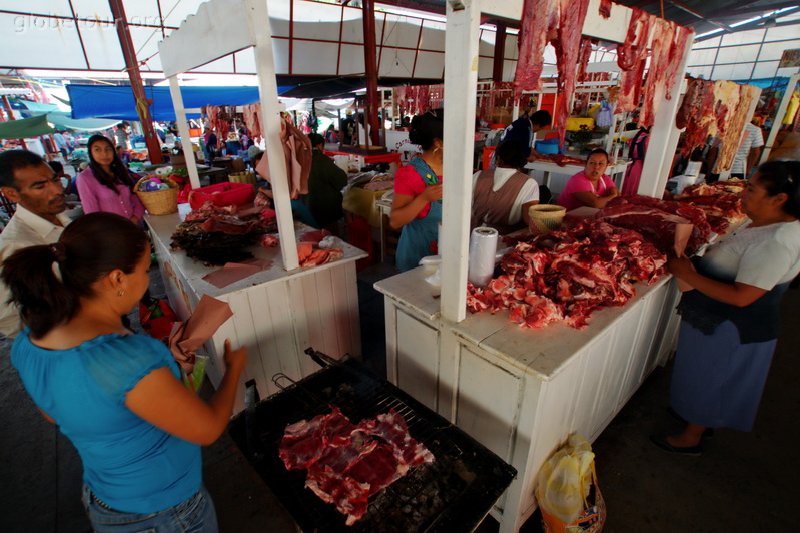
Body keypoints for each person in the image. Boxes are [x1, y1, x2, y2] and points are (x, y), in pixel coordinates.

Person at [3, 212, 246, 531]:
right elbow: (208, 429)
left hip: (104, 501)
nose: (147, 281)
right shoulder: (131, 359)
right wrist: (232, 372)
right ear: (117, 279)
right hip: (164, 513)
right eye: (145, 271)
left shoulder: (28, 343)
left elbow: (54, 413)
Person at [652, 161, 800, 456]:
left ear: (779, 198)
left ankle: (692, 437)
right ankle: (692, 417)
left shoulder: (777, 242)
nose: (744, 192)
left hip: (732, 326)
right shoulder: (767, 222)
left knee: (712, 379)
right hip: (715, 318)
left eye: (752, 188)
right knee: (699, 373)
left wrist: (688, 274)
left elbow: (742, 296)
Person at [0, 150, 70, 338]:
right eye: (40, 186)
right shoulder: (16, 246)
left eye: (55, 180)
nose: (57, 190)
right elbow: (10, 321)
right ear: (11, 194)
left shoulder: (63, 221)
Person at [390, 110, 444, 271]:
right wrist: (424, 198)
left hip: (447, 254)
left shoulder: (455, 166)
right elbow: (395, 220)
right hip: (417, 256)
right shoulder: (410, 174)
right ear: (438, 143)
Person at [471, 140, 540, 233]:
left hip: (473, 234)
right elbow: (530, 220)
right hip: (506, 238)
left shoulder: (478, 175)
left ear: (498, 159)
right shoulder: (529, 183)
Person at [76, 135, 144, 224]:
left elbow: (135, 197)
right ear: (90, 153)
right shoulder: (85, 178)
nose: (104, 154)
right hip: (111, 232)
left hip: (134, 226)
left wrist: (135, 218)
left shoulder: (120, 171)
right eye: (97, 150)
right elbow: (92, 214)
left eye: (108, 149)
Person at [306, 133, 347, 232]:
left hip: (306, 206)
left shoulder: (301, 157)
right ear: (319, 145)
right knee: (329, 237)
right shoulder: (321, 159)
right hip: (324, 209)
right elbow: (342, 179)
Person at [621, 127, 649, 196]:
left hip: (631, 165)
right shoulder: (646, 138)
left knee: (626, 187)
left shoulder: (637, 136)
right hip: (638, 166)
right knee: (633, 190)